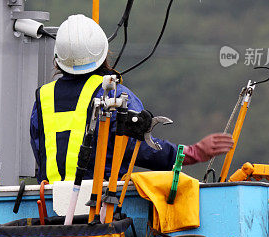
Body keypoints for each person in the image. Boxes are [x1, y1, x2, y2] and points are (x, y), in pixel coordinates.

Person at [30, 14, 234, 184]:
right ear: (104, 52)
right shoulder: (115, 95)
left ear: (58, 59)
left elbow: (41, 151)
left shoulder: (43, 98)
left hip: (47, 208)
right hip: (101, 207)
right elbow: (142, 148)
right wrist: (191, 153)